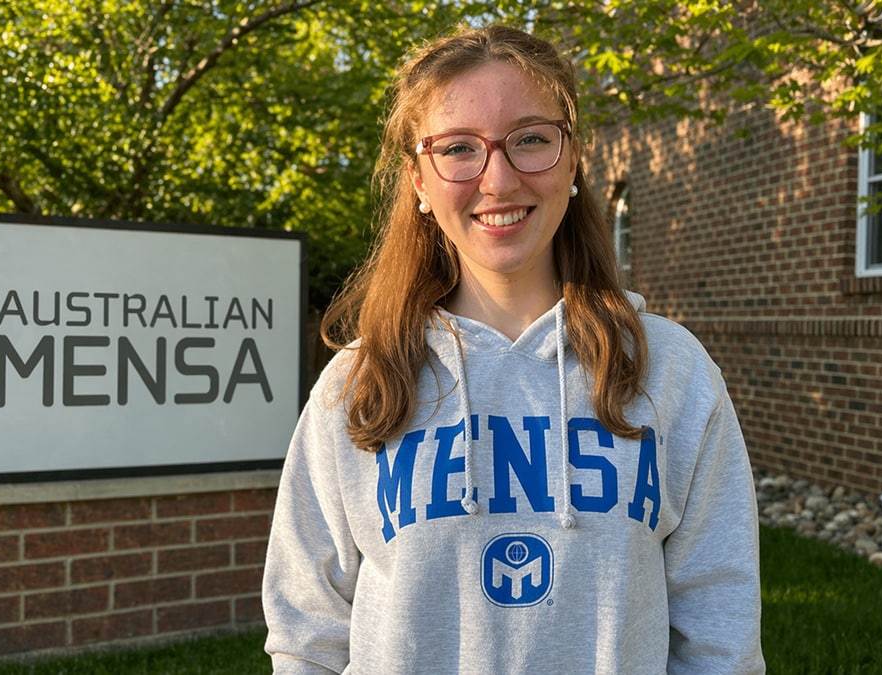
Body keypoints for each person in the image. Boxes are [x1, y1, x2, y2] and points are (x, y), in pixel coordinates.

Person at [261, 22, 764, 674]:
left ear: (573, 157)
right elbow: (307, 636)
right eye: (459, 149)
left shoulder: (669, 371)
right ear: (417, 179)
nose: (497, 180)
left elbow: (718, 636)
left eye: (530, 139)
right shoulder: (358, 384)